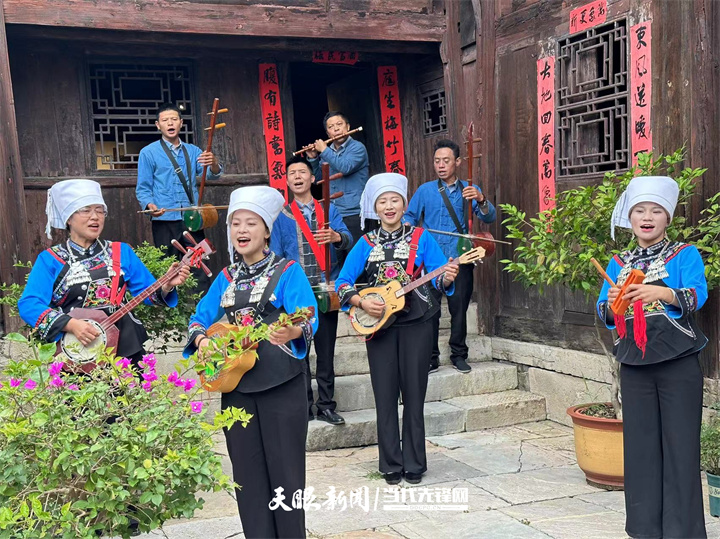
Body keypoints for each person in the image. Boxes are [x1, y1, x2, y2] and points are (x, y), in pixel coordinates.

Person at [184, 185, 318, 539]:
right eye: (235, 224)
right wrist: (202, 340)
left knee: (287, 479)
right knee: (247, 477)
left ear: (267, 231)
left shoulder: (288, 271)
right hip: (237, 388)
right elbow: (198, 319)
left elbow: (308, 315)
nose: (242, 231)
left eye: (251, 223)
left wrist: (294, 330)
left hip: (281, 385)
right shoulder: (226, 278)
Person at [597, 176, 707, 539]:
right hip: (634, 364)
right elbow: (604, 312)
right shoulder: (618, 261)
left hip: (678, 363)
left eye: (656, 210)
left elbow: (696, 295)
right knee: (640, 452)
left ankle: (683, 533)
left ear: (667, 218)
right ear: (630, 218)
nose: (647, 217)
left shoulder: (684, 254)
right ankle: (644, 531)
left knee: (681, 450)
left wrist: (660, 292)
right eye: (640, 210)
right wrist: (616, 302)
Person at [335, 173, 458, 486]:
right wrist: (361, 302)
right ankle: (390, 463)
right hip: (379, 327)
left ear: (404, 205)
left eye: (395, 200)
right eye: (383, 201)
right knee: (385, 395)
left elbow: (438, 278)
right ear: (375, 208)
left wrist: (448, 276)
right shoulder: (365, 243)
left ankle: (415, 462)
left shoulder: (421, 238)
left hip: (417, 322)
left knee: (414, 395)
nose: (389, 206)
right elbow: (343, 283)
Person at [18, 179, 190, 367]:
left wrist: (166, 285)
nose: (95, 217)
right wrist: (71, 324)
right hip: (75, 349)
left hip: (124, 347)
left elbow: (148, 294)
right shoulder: (51, 259)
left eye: (100, 210)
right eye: (86, 210)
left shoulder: (121, 251)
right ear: (68, 217)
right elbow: (29, 304)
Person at [270, 156, 352, 425]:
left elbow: (347, 238)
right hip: (297, 294)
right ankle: (303, 405)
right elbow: (277, 255)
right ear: (287, 180)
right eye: (291, 173)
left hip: (326, 290)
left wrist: (337, 237)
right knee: (299, 349)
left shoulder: (328, 208)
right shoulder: (281, 216)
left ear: (312, 178)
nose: (296, 176)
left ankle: (327, 404)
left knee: (326, 351)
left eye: (302, 172)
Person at [404, 139, 496, 374]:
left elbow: (488, 218)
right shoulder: (425, 190)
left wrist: (480, 199)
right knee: (430, 310)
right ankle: (431, 357)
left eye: (446, 160)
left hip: (461, 258)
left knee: (459, 309)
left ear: (457, 162)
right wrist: (408, 232)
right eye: (437, 161)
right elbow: (410, 218)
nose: (441, 165)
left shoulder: (469, 189)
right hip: (432, 260)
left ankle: (459, 354)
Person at [135, 103, 223, 294]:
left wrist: (214, 163)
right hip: (164, 218)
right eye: (165, 120)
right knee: (169, 265)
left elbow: (212, 175)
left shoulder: (193, 151)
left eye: (174, 119)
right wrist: (150, 205)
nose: (170, 123)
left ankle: (202, 309)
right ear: (158, 125)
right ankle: (173, 309)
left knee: (199, 263)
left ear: (181, 123)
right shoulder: (148, 153)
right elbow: (143, 189)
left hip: (191, 218)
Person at [306, 111, 371, 253]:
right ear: (328, 133)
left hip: (354, 213)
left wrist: (323, 151)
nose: (336, 129)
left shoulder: (357, 148)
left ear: (347, 127)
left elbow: (345, 167)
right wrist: (313, 159)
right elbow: (318, 180)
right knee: (337, 260)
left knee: (355, 259)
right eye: (331, 127)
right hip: (332, 214)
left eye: (339, 124)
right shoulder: (327, 152)